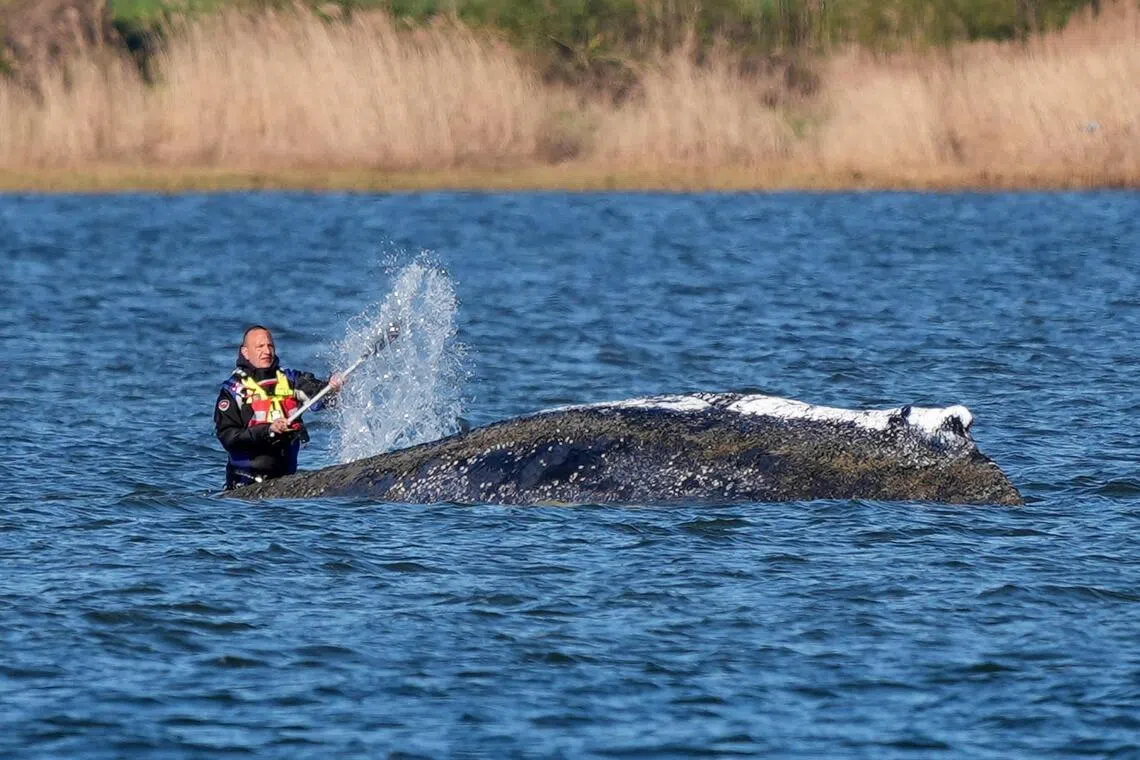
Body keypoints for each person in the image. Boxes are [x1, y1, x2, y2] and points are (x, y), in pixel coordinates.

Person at [215, 325, 343, 490]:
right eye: (260, 347)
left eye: (270, 346)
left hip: (286, 480)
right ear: (245, 352)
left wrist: (334, 387)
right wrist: (269, 430)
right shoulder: (232, 391)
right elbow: (228, 438)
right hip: (245, 483)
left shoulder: (291, 379)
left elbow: (322, 398)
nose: (267, 351)